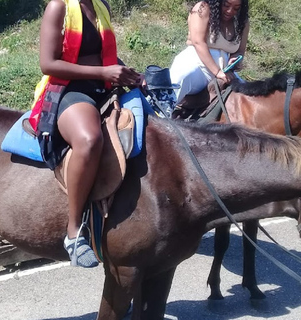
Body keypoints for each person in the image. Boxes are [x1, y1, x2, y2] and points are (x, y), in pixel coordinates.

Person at [28, 0, 143, 268]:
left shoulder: (100, 6)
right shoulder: (58, 7)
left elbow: (105, 54)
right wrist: (104, 72)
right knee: (89, 140)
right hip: (68, 90)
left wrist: (127, 73)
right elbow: (48, 63)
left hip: (103, 85)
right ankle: (74, 233)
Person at [169, 0, 250, 104]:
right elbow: (198, 42)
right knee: (180, 80)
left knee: (247, 97)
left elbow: (240, 51)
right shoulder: (202, 8)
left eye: (236, 8)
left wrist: (235, 60)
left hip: (224, 71)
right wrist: (217, 72)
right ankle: (161, 113)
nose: (230, 11)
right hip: (197, 64)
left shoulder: (242, 21)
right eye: (226, 5)